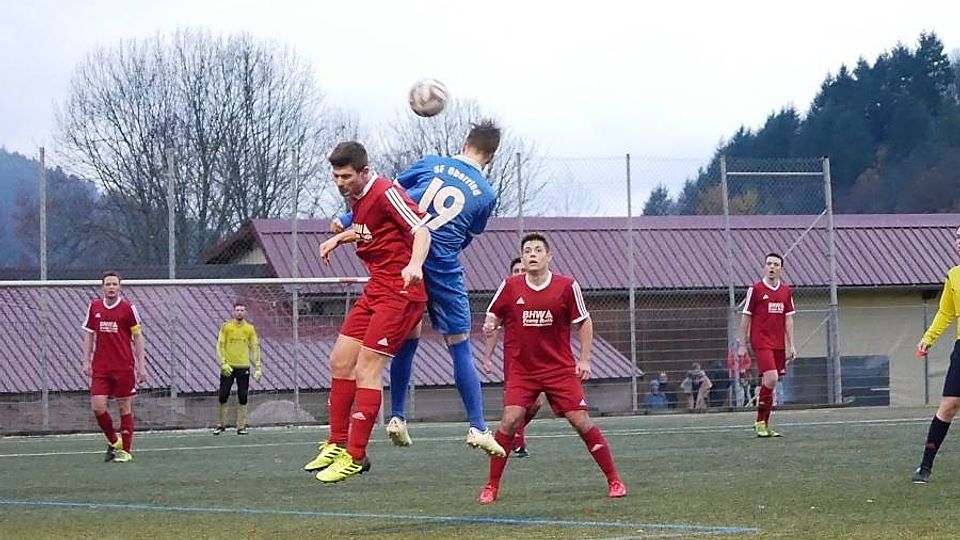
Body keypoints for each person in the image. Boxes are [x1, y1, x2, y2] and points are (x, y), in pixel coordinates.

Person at [331, 121, 504, 457]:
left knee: (406, 337)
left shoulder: (430, 163)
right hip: (441, 266)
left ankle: (397, 416)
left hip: (404, 258)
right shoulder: (486, 193)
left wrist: (348, 219)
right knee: (459, 344)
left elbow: (385, 196)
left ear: (464, 143)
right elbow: (469, 235)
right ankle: (478, 426)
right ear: (492, 156)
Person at [303, 141, 431, 483]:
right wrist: (340, 238)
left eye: (346, 176)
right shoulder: (357, 197)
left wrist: (415, 264)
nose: (340, 183)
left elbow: (421, 229)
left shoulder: (386, 192)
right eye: (335, 176)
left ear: (364, 171)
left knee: (366, 368)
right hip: (377, 288)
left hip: (401, 292)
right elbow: (371, 231)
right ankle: (337, 443)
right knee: (340, 361)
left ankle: (356, 456)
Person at [477, 233, 627, 503]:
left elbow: (584, 322)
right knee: (510, 420)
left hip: (559, 368)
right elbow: (493, 313)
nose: (532, 255)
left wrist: (585, 359)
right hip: (523, 370)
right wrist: (490, 324)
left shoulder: (566, 286)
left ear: (549, 256)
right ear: (522, 258)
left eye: (537, 250)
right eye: (527, 251)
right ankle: (491, 486)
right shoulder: (510, 286)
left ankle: (614, 479)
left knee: (580, 420)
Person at [81, 271, 147, 463]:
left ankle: (126, 451)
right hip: (101, 367)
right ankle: (114, 440)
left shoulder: (128, 309)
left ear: (120, 287)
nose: (111, 287)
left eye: (114, 284)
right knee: (98, 406)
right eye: (108, 284)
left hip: (123, 366)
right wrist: (86, 360)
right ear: (102, 287)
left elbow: (138, 337)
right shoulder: (94, 307)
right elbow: (89, 335)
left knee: (124, 406)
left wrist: (142, 366)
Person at [911, 226, 960, 483]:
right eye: (957, 237)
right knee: (949, 405)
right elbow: (945, 313)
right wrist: (928, 338)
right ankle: (925, 466)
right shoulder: (953, 276)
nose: (959, 242)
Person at [483, 256, 543, 457]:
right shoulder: (509, 294)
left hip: (540, 359)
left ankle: (509, 436)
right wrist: (488, 357)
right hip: (515, 359)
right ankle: (518, 442)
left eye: (522, 270)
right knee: (516, 404)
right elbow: (493, 325)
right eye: (516, 271)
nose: (519, 274)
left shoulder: (539, 293)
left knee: (537, 403)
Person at [737, 252, 796, 438]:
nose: (772, 267)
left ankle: (765, 423)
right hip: (761, 341)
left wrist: (791, 345)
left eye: (775, 264)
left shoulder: (786, 291)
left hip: (778, 343)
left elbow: (789, 320)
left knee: (771, 382)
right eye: (769, 264)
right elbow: (745, 317)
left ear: (781, 269)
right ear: (764, 267)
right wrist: (742, 345)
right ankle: (760, 422)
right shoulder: (755, 289)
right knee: (771, 378)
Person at [213, 300, 262, 435]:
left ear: (245, 312)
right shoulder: (226, 327)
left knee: (243, 395)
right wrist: (223, 363)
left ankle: (241, 426)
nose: (239, 312)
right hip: (228, 366)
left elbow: (255, 347)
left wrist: (258, 367)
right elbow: (220, 345)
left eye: (242, 310)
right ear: (233, 312)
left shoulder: (249, 329)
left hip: (243, 366)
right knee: (223, 394)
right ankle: (221, 424)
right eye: (237, 310)